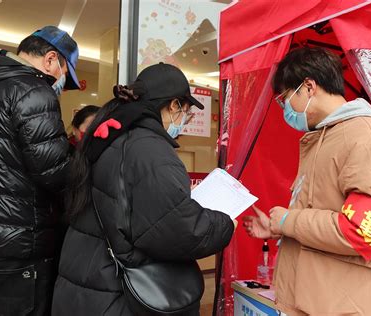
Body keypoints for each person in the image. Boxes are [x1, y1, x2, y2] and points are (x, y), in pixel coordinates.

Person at [52, 63, 235, 315]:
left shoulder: (112, 135)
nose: (185, 121)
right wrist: (224, 223)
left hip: (86, 281)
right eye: (187, 112)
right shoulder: (149, 149)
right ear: (174, 105)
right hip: (116, 294)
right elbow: (178, 229)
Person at [243, 47, 371, 316]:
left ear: (309, 86)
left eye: (285, 99)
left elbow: (363, 231)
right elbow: (324, 209)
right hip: (320, 299)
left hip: (343, 305)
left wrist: (290, 221)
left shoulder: (368, 140)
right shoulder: (329, 136)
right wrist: (281, 228)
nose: (285, 109)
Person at [0, 26, 80, 315]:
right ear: (51, 59)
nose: (61, 87)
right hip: (17, 243)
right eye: (64, 78)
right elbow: (54, 172)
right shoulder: (32, 90)